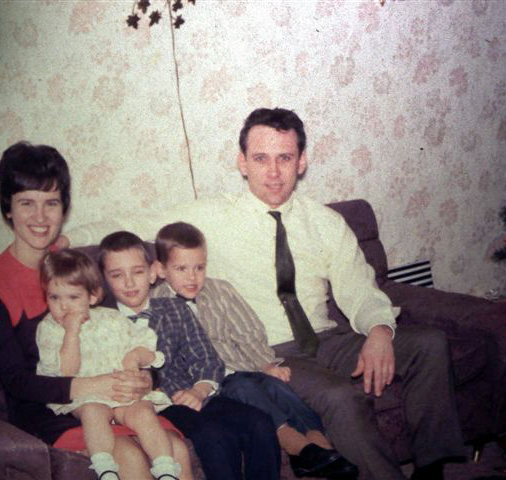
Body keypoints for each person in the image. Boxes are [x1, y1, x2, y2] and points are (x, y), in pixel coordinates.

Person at [64, 108, 467, 480]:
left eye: (285, 158)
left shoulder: (326, 222)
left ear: (301, 161)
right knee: (340, 396)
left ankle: (432, 468)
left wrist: (379, 330)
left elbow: (359, 287)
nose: (274, 173)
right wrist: (62, 241)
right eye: (261, 158)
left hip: (331, 338)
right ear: (243, 163)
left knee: (429, 343)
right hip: (272, 351)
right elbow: (134, 224)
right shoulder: (211, 216)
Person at [0, 141, 193, 480]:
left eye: (51, 203)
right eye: (27, 203)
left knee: (176, 450)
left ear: (64, 208)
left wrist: (144, 378)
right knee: (129, 457)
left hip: (117, 400)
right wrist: (94, 386)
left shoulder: (78, 268)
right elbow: (17, 382)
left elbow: (120, 336)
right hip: (52, 409)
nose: (40, 217)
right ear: (8, 209)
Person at [152, 221, 359, 479]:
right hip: (209, 382)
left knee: (277, 387)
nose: (192, 277)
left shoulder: (220, 290)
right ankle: (296, 445)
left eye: (199, 268)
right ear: (161, 269)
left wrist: (264, 364)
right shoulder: (157, 305)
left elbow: (247, 331)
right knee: (244, 387)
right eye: (181, 269)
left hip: (241, 367)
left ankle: (320, 445)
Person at [97, 231, 281, 480]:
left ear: (152, 273)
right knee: (213, 434)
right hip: (156, 407)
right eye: (117, 275)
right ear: (105, 280)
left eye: (137, 272)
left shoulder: (175, 308)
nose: (129, 283)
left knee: (259, 422)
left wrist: (199, 390)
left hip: (195, 394)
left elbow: (206, 357)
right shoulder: (102, 323)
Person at [36, 249, 181, 480]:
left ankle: (166, 468)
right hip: (86, 396)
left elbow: (145, 344)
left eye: (73, 297)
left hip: (124, 393)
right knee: (93, 413)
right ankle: (105, 467)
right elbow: (66, 372)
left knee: (143, 413)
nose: (63, 306)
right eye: (54, 297)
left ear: (92, 297)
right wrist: (71, 332)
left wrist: (136, 357)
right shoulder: (49, 329)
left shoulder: (112, 318)